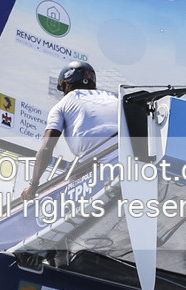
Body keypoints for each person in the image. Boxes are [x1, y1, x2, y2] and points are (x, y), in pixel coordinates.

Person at [23, 60, 118, 199]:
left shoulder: (61, 106)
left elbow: (46, 149)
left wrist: (33, 184)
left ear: (66, 84)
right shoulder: (113, 97)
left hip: (100, 168)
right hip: (130, 157)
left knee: (74, 172)